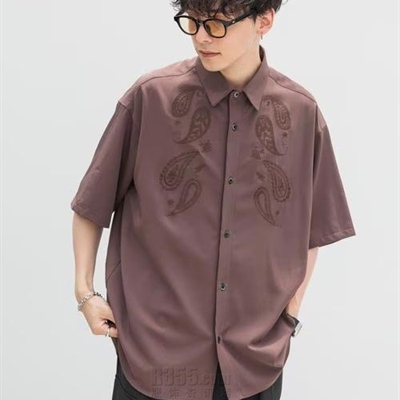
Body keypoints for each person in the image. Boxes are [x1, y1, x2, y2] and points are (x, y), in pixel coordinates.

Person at [71, 1, 356, 399]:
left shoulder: (301, 112)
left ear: (264, 20)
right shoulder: (151, 97)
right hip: (154, 356)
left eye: (218, 24)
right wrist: (84, 292)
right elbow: (92, 204)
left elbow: (312, 229)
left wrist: (290, 313)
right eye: (194, 21)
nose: (202, 37)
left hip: (253, 364)